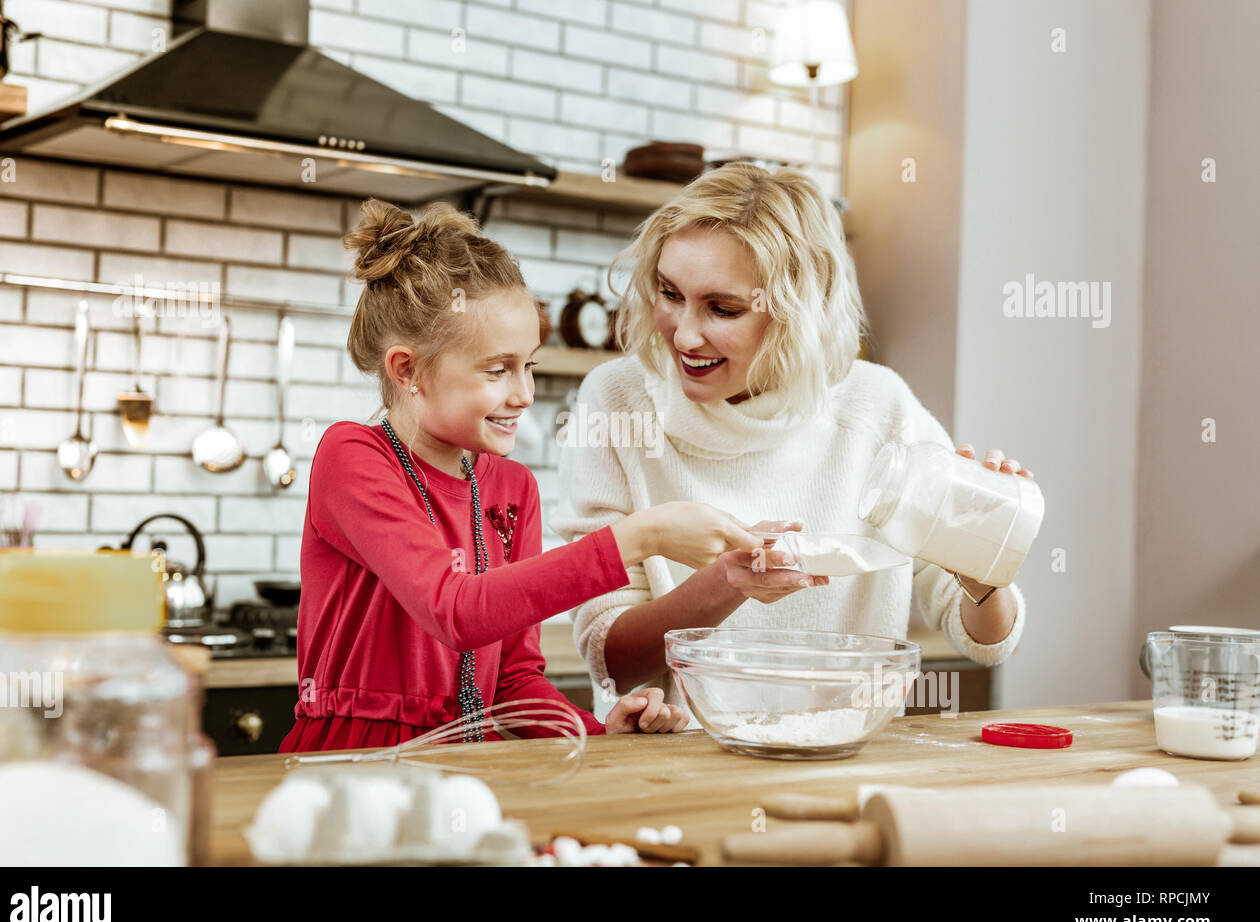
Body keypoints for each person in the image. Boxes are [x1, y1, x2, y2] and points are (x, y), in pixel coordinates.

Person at [552, 163, 1034, 723]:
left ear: (795, 311)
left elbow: (987, 641)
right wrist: (724, 585)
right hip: (678, 764)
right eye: (669, 293)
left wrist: (982, 570)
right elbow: (608, 660)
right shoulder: (617, 401)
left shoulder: (878, 409)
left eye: (722, 308)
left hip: (845, 762)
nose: (683, 333)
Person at [279, 198, 766, 752]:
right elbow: (455, 610)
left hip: (472, 766)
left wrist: (600, 731)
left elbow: (515, 680)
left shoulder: (512, 489)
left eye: (528, 365)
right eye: (497, 370)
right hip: (356, 758)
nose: (524, 394)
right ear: (406, 369)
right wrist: (640, 537)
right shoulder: (353, 456)